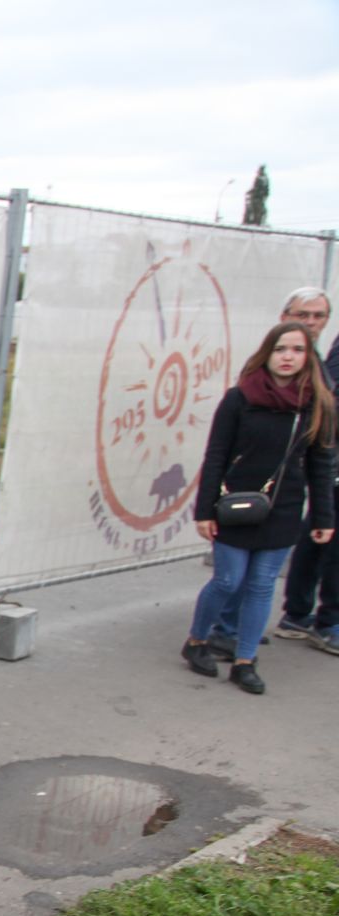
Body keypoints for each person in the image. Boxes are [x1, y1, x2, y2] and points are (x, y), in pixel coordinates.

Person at [181, 321, 336, 694]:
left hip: (282, 510)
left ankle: (245, 660)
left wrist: (323, 516)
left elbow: (321, 463)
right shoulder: (239, 398)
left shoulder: (316, 405)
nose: (288, 357)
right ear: (267, 353)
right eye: (281, 349)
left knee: (262, 585)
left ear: (308, 357)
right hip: (234, 506)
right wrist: (204, 511)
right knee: (228, 580)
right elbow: (215, 455)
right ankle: (197, 641)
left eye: (297, 350)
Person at [268, 288, 339, 652]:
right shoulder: (276, 357)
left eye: (319, 316)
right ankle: (322, 619)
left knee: (319, 531)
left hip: (315, 464)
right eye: (304, 314)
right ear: (286, 315)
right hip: (276, 473)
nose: (311, 322)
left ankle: (299, 615)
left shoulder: (320, 360)